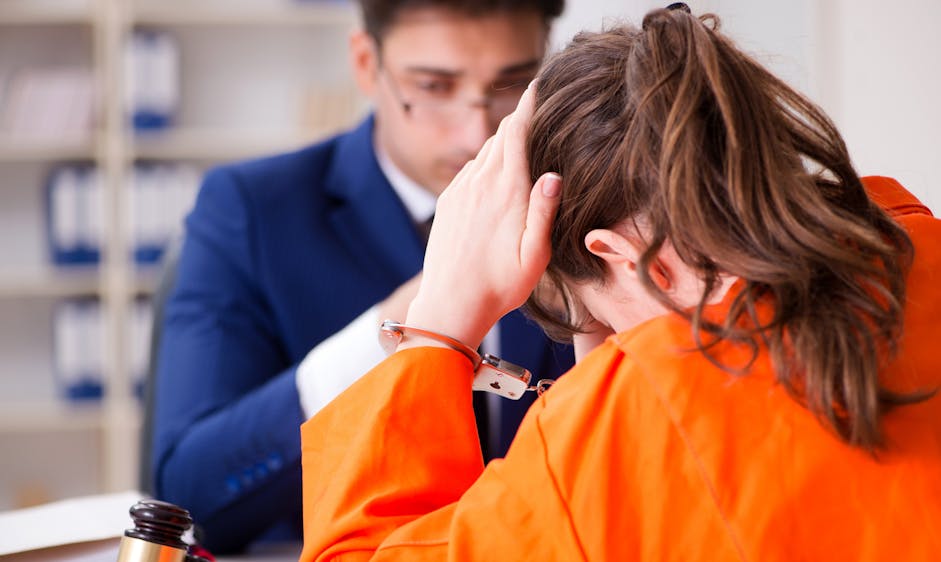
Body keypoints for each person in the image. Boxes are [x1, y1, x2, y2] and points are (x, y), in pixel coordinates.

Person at [298, 5, 941, 560]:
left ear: (626, 258)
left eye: (595, 320)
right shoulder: (920, 252)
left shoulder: (644, 413)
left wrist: (438, 324)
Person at [149, 0, 572, 553]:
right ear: (366, 63)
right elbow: (190, 496)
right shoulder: (251, 211)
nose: (477, 134)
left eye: (512, 83)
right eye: (435, 87)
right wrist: (405, 326)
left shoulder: (584, 200)